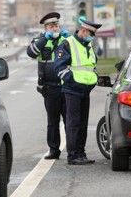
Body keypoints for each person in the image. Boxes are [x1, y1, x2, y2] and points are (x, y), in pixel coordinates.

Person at [54, 19, 102, 165]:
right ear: (84, 31)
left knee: (82, 123)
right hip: (72, 89)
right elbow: (59, 68)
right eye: (91, 33)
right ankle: (73, 155)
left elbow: (92, 66)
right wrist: (72, 81)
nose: (92, 36)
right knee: (73, 123)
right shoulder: (68, 44)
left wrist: (93, 80)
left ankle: (81, 153)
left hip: (85, 89)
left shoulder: (88, 46)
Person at [27, 12, 69, 160]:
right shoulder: (41, 40)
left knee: (69, 120)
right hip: (50, 88)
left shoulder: (65, 39)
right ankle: (53, 149)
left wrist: (68, 37)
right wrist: (45, 38)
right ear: (45, 28)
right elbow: (31, 53)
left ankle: (72, 150)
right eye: (51, 26)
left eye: (56, 25)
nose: (54, 28)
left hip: (66, 86)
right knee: (53, 121)